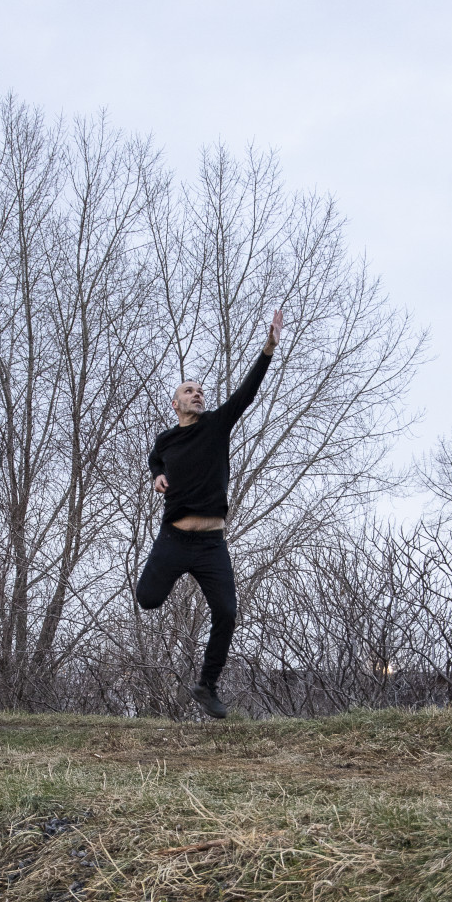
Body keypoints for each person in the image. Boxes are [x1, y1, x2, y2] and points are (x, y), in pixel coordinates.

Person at [135, 306, 284, 717]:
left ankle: (207, 684)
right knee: (147, 600)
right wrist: (156, 474)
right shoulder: (165, 440)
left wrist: (268, 349)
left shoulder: (217, 424)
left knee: (227, 612)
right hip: (175, 538)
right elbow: (155, 459)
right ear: (175, 403)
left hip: (211, 543)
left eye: (201, 390)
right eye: (189, 390)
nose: (197, 393)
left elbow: (248, 393)